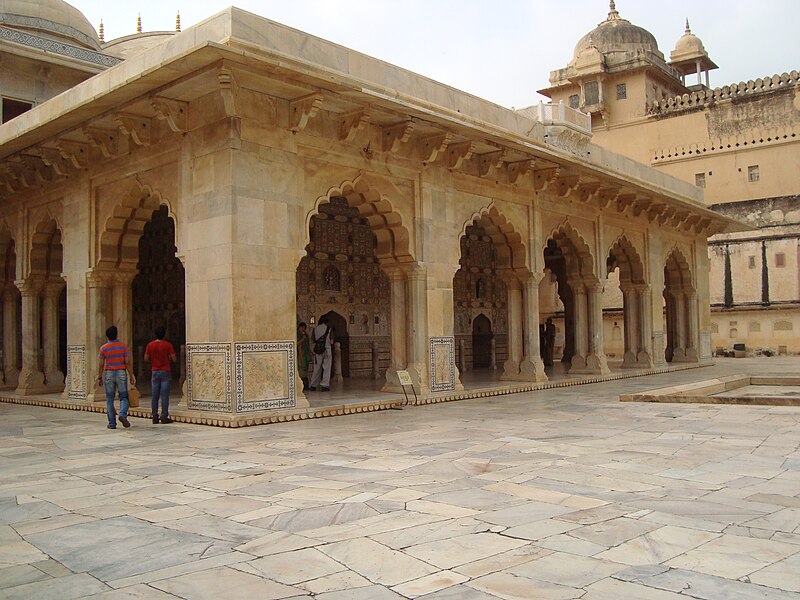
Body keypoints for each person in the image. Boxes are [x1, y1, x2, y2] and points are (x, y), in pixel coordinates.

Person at [97, 325, 136, 429]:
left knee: (110, 399)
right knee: (123, 396)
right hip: (121, 372)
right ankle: (122, 414)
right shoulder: (123, 347)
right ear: (116, 334)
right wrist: (131, 375)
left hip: (109, 373)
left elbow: (101, 364)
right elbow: (127, 362)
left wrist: (99, 377)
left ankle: (112, 423)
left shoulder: (103, 348)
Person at [145, 326, 177, 424]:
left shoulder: (150, 345)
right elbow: (174, 358)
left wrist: (153, 361)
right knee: (164, 395)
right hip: (165, 370)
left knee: (155, 395)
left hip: (155, 370)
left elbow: (146, 358)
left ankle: (154, 416)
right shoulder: (168, 345)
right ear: (165, 334)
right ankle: (164, 416)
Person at [309, 315, 334, 391]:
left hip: (318, 351)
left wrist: (312, 350)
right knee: (326, 368)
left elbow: (312, 341)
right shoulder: (329, 329)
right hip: (327, 351)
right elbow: (332, 341)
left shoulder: (315, 329)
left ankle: (313, 385)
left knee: (317, 368)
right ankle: (325, 385)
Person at [296, 322, 312, 391]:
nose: (303, 329)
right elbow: (297, 344)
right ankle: (302, 385)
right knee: (301, 369)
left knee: (305, 370)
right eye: (302, 328)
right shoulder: (297, 335)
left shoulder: (306, 335)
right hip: (300, 354)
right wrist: (303, 339)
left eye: (304, 328)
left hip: (306, 355)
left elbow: (307, 345)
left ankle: (306, 385)